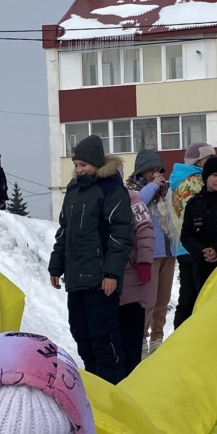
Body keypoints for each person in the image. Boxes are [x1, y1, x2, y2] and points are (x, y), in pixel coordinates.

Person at [49, 135, 134, 384]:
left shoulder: (111, 189)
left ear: (96, 164)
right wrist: (56, 264)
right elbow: (64, 230)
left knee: (104, 338)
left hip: (100, 281)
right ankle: (95, 386)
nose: (78, 170)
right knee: (82, 335)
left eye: (83, 165)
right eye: (76, 165)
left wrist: (111, 274)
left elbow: (121, 235)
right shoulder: (73, 191)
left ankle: (114, 389)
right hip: (76, 279)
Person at [131, 149, 175, 356]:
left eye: (158, 170)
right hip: (150, 251)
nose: (156, 174)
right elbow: (137, 204)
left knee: (163, 298)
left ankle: (158, 336)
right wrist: (152, 186)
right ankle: (141, 339)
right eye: (151, 170)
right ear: (141, 171)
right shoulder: (133, 188)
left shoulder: (166, 189)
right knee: (148, 298)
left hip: (168, 249)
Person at [170, 141, 216, 328]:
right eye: (209, 158)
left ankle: (178, 341)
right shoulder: (196, 182)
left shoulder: (179, 180)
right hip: (197, 246)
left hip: (182, 246)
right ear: (198, 161)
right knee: (196, 297)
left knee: (186, 297)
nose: (213, 162)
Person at [180, 155, 217, 320]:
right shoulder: (194, 204)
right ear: (206, 177)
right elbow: (186, 236)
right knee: (190, 305)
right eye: (215, 175)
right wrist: (202, 251)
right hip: (200, 267)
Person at [118, 173, 156, 376]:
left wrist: (143, 261)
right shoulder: (95, 197)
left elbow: (145, 230)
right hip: (105, 281)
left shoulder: (132, 199)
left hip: (132, 277)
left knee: (131, 337)